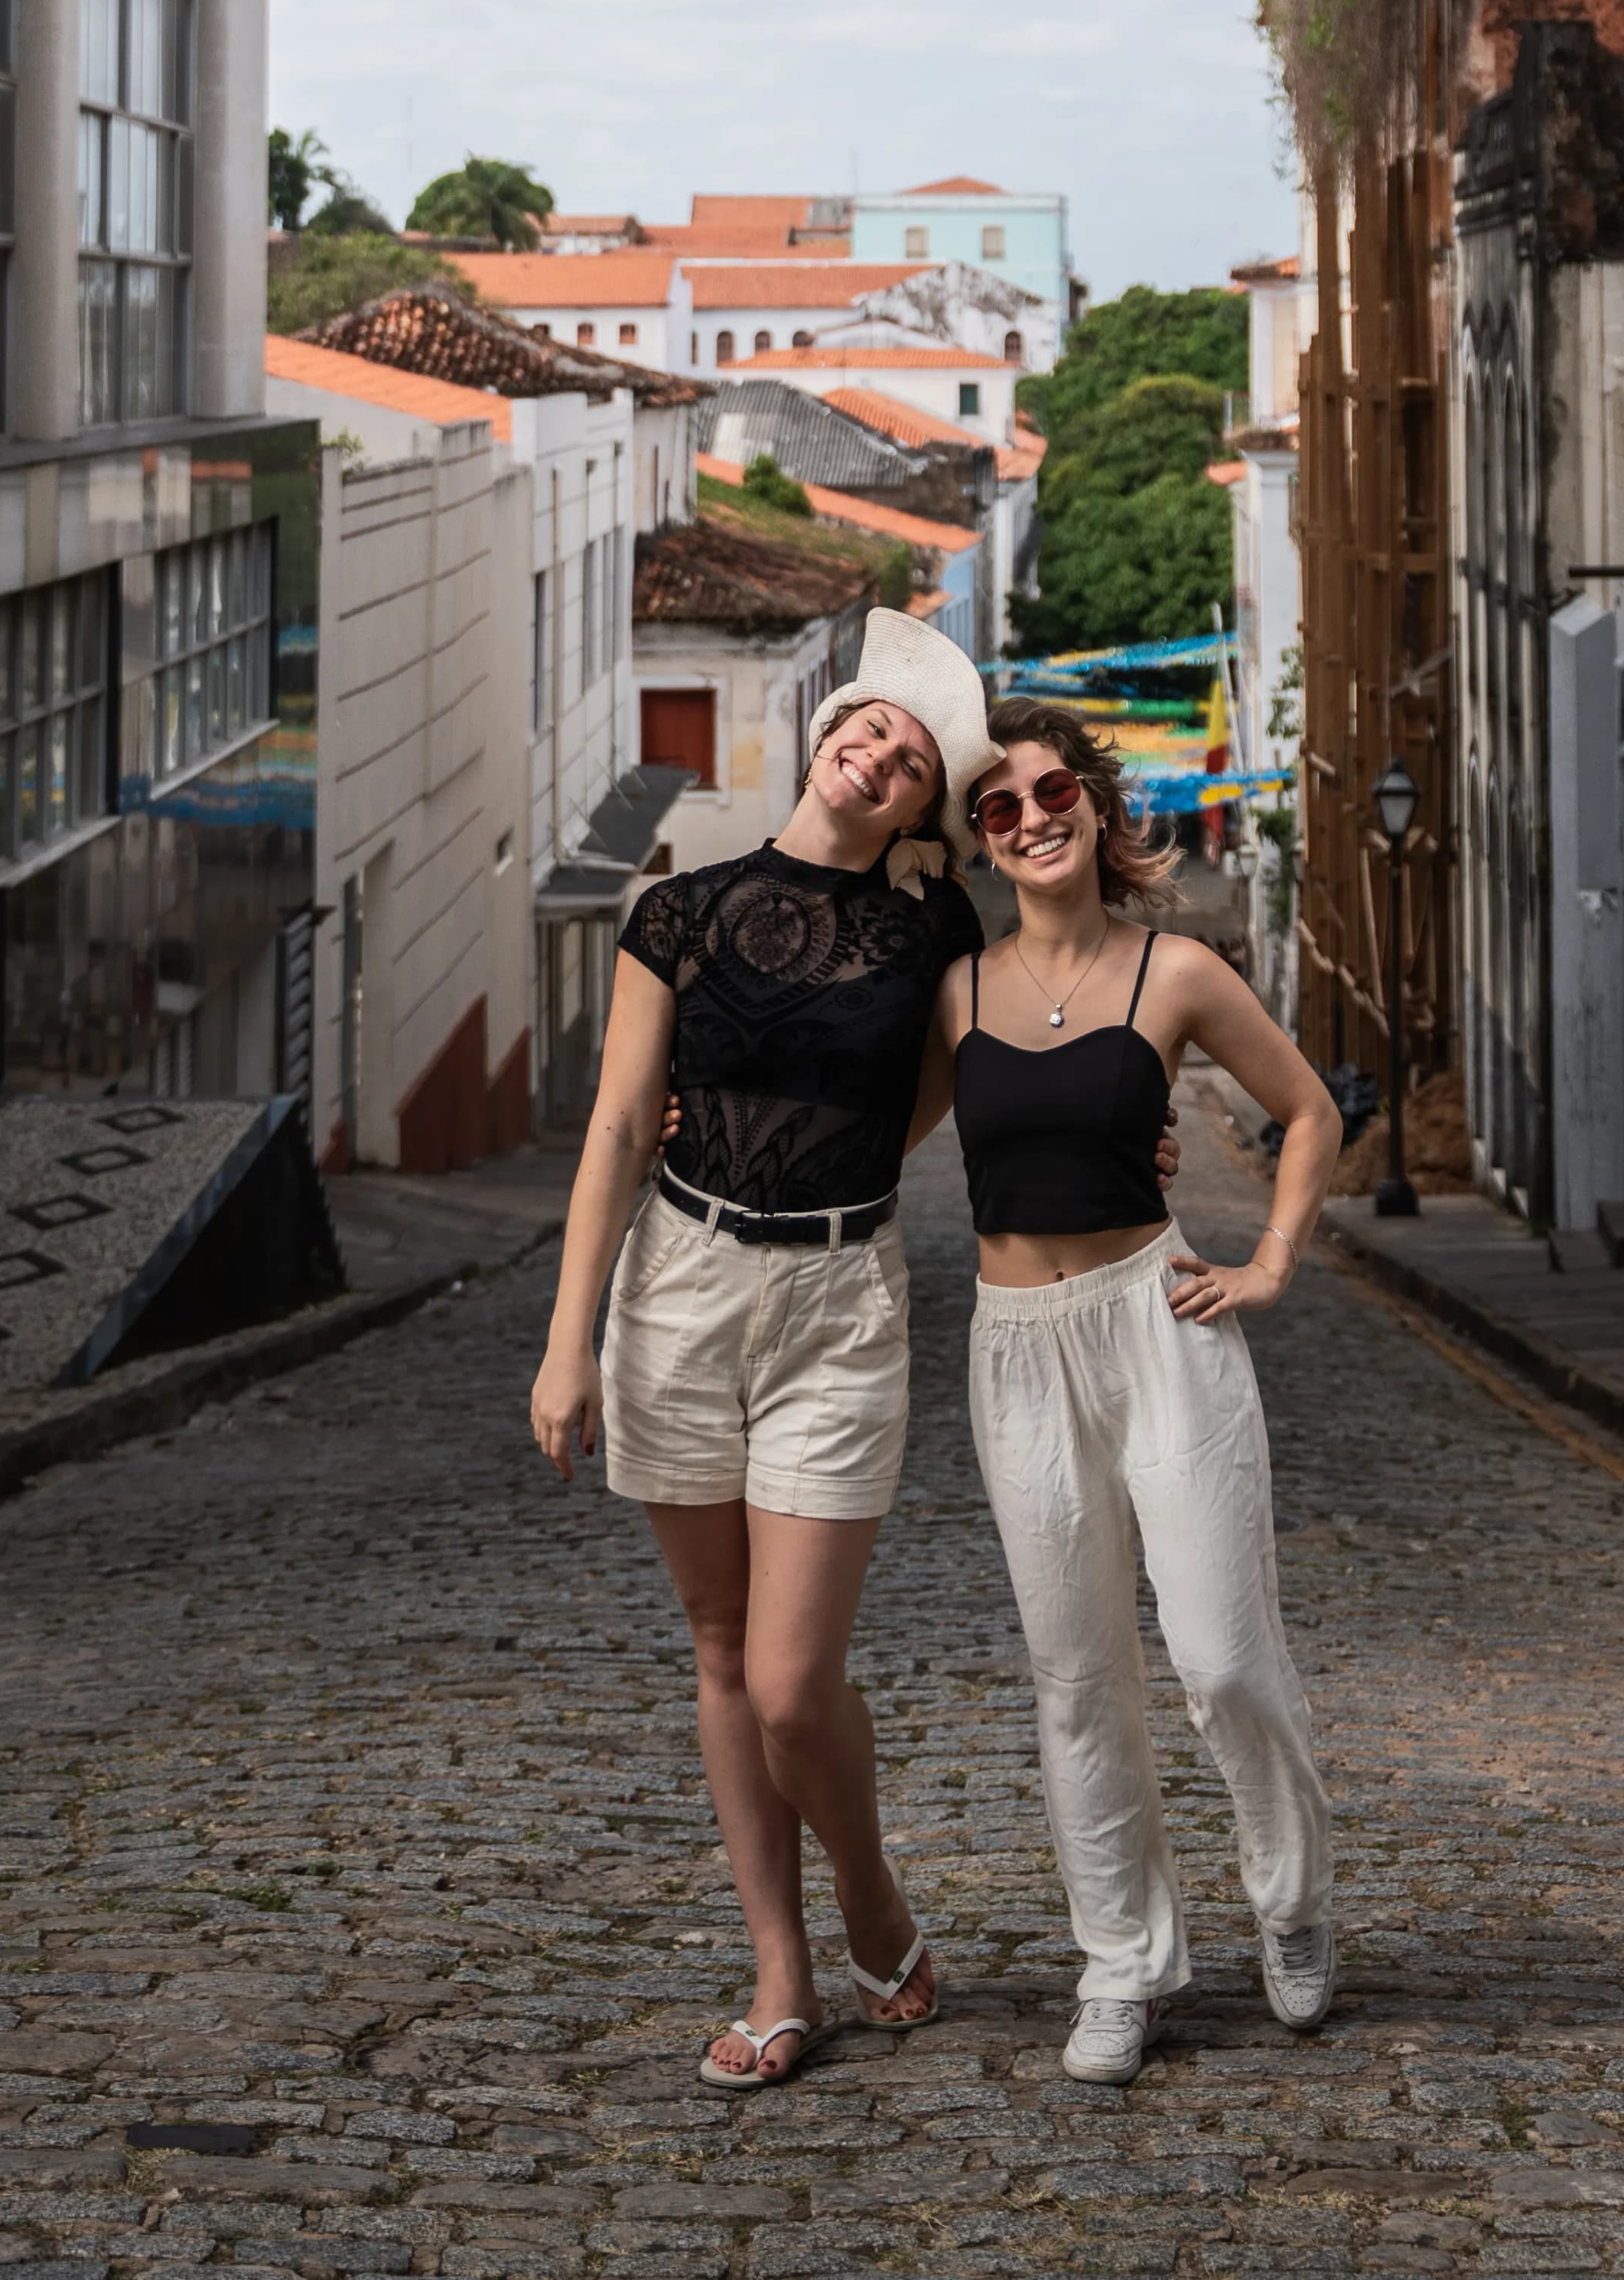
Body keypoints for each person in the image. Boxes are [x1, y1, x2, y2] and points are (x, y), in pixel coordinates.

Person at [528, 607, 991, 2093]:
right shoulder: (678, 913)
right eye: (868, 730)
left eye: (911, 761)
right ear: (824, 731)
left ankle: (870, 1889)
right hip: (677, 1283)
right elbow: (615, 1125)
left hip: (842, 1302)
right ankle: (782, 1966)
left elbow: (945, 1093)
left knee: (796, 1681)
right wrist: (569, 1342)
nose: (877, 758)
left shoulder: (933, 930)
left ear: (925, 804)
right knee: (721, 1652)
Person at [936, 695, 1342, 2083]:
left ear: (1100, 812)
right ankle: (1126, 1964)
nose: (1034, 817)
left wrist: (1271, 1260)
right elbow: (846, 1139)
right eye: (1001, 806)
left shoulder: (1176, 973)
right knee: (1076, 1681)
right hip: (1018, 1348)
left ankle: (1290, 1904)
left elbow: (1309, 1111)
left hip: (1160, 1330)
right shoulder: (957, 991)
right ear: (980, 841)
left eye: (1056, 794)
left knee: (1224, 1659)